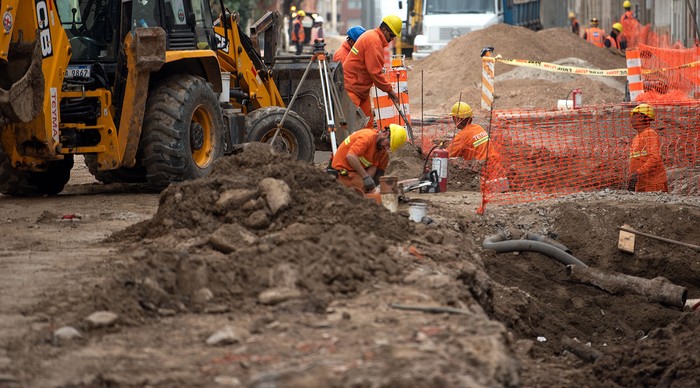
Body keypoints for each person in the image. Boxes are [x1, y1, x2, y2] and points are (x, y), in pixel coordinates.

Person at [342, 15, 402, 123]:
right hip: (352, 88)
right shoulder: (374, 41)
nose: (392, 39)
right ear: (384, 30)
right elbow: (375, 72)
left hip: (360, 89)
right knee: (350, 126)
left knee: (367, 123)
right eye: (391, 35)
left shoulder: (372, 36)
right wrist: (390, 91)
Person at [331, 124, 407, 193]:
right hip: (342, 170)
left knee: (385, 156)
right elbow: (350, 156)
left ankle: (372, 187)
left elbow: (373, 166)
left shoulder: (379, 146)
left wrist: (370, 184)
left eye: (389, 147)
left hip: (355, 171)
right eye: (388, 144)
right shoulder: (367, 137)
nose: (386, 148)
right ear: (385, 134)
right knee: (361, 189)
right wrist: (365, 177)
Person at [628, 103, 668, 192]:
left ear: (641, 117)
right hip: (641, 185)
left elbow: (655, 158)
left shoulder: (650, 134)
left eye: (633, 116)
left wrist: (637, 173)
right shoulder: (637, 137)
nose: (631, 120)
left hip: (653, 185)